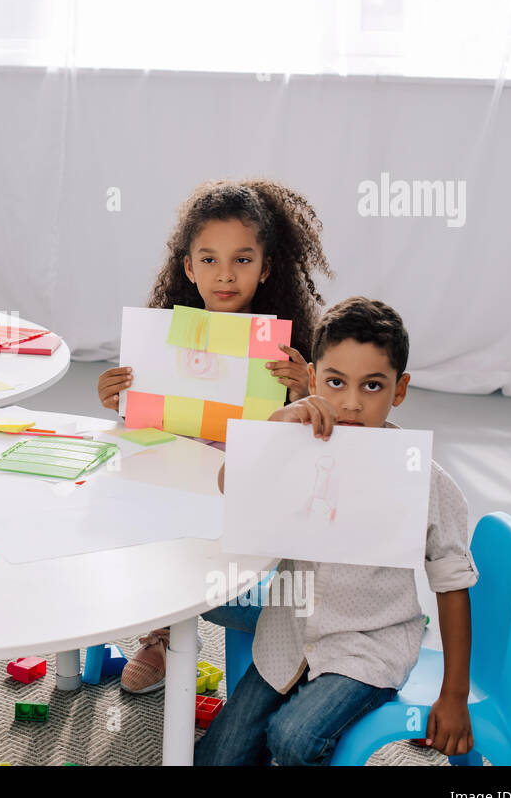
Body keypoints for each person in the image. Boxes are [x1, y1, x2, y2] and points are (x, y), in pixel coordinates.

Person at [197, 297, 477, 764]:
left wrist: (454, 695)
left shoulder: (422, 479)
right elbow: (231, 487)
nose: (350, 403)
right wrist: (274, 427)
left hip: (368, 648)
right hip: (287, 637)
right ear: (312, 381)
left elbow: (452, 585)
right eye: (334, 382)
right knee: (216, 759)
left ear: (399, 389)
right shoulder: (293, 446)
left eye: (372, 386)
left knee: (294, 737)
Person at [106, 179, 334, 693]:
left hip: (253, 495)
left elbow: (326, 439)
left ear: (266, 267)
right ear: (188, 267)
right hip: (183, 482)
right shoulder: (165, 336)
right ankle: (161, 631)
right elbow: (145, 427)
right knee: (145, 510)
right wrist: (118, 395)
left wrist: (308, 389)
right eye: (208, 260)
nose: (225, 275)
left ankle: (286, 635)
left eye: (242, 260)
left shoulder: (290, 347)